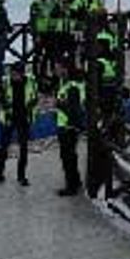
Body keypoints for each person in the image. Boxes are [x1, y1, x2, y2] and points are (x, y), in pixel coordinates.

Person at [86, 30, 124, 198]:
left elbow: (94, 84)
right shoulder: (114, 61)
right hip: (114, 98)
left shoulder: (99, 63)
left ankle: (105, 160)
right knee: (113, 126)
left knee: (104, 130)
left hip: (103, 101)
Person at [0, 63, 37, 187]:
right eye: (11, 73)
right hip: (8, 119)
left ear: (21, 74)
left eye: (15, 74)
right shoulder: (5, 82)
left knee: (23, 148)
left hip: (24, 120)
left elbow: (35, 98)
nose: (12, 76)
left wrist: (32, 111)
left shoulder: (31, 81)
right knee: (3, 147)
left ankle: (21, 176)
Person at [54, 62, 87, 196]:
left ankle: (71, 186)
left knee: (67, 157)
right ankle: (75, 181)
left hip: (68, 127)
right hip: (67, 126)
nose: (55, 71)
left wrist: (60, 105)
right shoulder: (67, 83)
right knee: (70, 155)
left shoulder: (72, 87)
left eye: (58, 68)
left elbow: (73, 110)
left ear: (65, 69)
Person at [30, 0, 55, 77]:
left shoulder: (50, 3)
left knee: (48, 54)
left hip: (49, 33)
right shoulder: (36, 3)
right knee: (38, 54)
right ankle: (36, 74)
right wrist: (35, 34)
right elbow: (33, 20)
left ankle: (44, 72)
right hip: (39, 33)